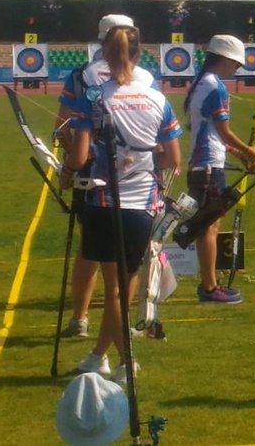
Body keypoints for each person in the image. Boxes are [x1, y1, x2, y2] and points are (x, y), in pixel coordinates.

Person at [64, 24, 182, 383]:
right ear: (139, 53)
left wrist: (67, 154)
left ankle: (125, 363)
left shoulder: (96, 97)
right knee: (122, 287)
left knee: (115, 291)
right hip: (142, 206)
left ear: (104, 52)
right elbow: (172, 159)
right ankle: (97, 355)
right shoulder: (157, 98)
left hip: (103, 202)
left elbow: (80, 155)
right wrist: (139, 163)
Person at [56, 14, 158, 339]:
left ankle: (80, 319)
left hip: (91, 175)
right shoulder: (147, 78)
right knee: (127, 265)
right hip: (138, 179)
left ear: (102, 41)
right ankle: (118, 327)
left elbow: (63, 125)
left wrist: (70, 161)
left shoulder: (81, 76)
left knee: (91, 250)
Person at [184, 35, 255, 304]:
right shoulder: (215, 88)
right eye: (235, 65)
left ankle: (210, 285)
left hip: (203, 163)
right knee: (209, 227)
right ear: (224, 59)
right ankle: (209, 287)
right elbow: (225, 132)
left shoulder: (200, 84)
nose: (236, 70)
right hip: (207, 166)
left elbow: (213, 134)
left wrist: (239, 154)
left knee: (209, 224)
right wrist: (249, 151)